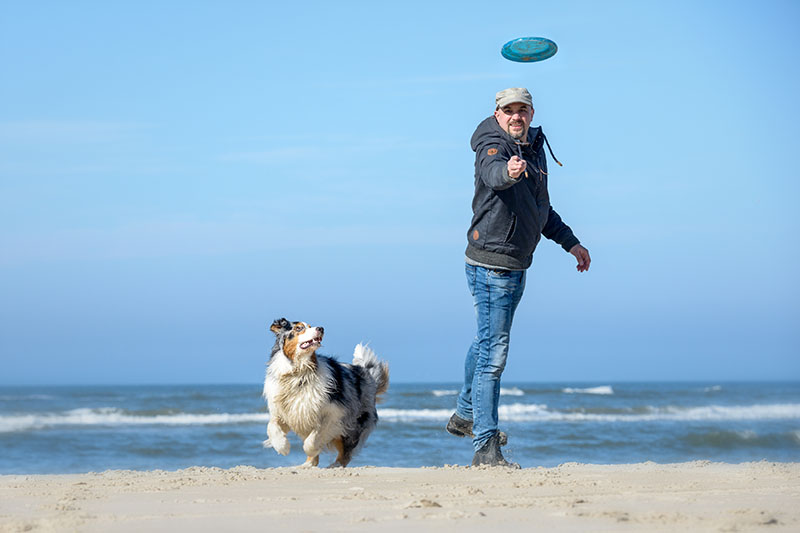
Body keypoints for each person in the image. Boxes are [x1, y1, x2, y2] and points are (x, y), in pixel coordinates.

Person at [447, 87, 591, 468]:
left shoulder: (534, 147)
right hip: (491, 264)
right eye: (508, 110)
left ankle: (465, 414)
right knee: (494, 356)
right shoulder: (493, 145)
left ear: (531, 112)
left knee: (485, 343)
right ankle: (485, 447)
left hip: (515, 264)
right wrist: (508, 173)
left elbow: (539, 207)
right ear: (497, 114)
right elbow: (493, 174)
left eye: (521, 110)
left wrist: (571, 243)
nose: (515, 116)